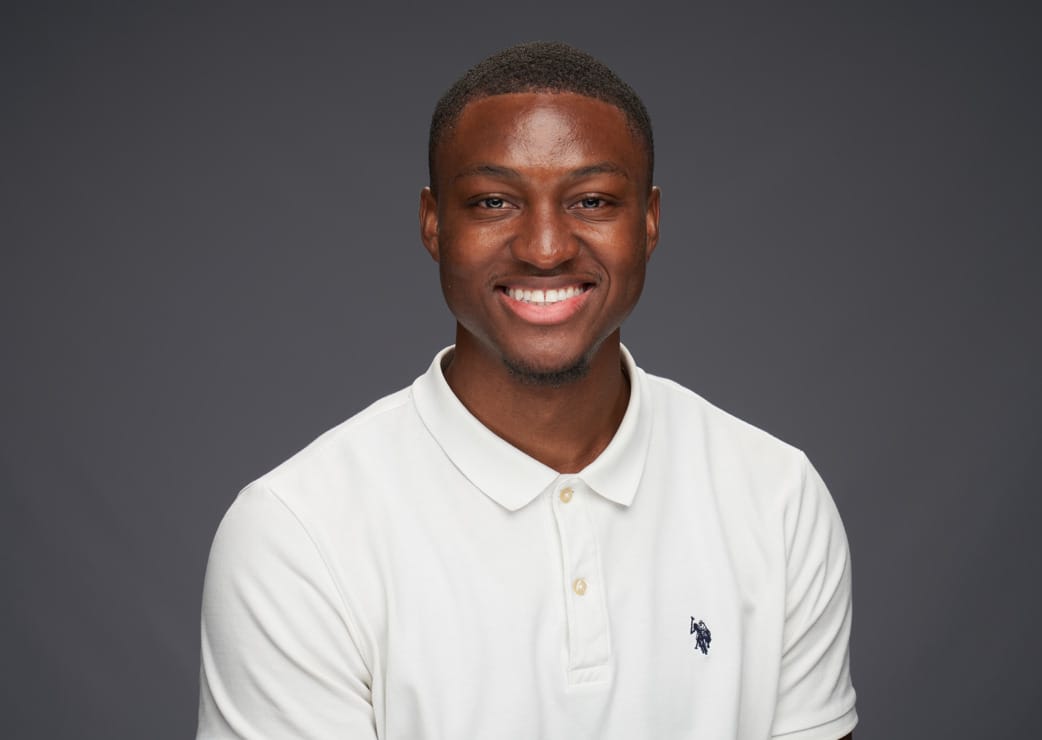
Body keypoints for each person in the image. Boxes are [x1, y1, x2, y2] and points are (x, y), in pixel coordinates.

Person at [196, 41, 857, 740]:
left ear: (650, 220)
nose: (546, 247)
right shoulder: (296, 533)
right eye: (493, 201)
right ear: (433, 223)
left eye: (593, 200)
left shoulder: (777, 498)